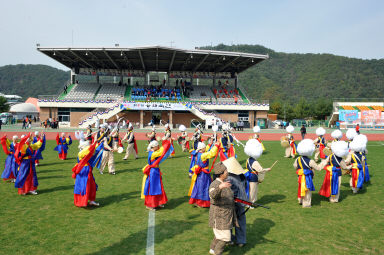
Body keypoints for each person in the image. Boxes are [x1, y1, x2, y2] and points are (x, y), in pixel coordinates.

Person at [208, 162, 237, 255]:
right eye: (226, 171)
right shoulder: (215, 184)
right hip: (219, 216)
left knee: (220, 235)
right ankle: (217, 252)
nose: (227, 172)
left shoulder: (224, 182)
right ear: (221, 174)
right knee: (225, 238)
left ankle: (212, 249)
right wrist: (220, 187)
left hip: (225, 215)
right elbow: (212, 196)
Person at [141, 140, 173, 210]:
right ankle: (150, 204)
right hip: (153, 172)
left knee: (157, 187)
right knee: (153, 188)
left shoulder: (153, 152)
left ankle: (157, 203)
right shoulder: (153, 154)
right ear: (154, 146)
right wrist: (166, 144)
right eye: (157, 146)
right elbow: (161, 152)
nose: (158, 147)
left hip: (155, 171)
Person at [293, 139, 323, 208]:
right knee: (307, 190)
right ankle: (306, 204)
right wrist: (323, 163)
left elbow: (295, 166)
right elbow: (318, 168)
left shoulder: (297, 159)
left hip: (300, 176)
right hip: (307, 177)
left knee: (300, 187)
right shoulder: (311, 161)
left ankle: (300, 199)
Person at [188, 141, 219, 208]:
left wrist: (211, 143)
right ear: (202, 149)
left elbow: (207, 149)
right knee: (204, 187)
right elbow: (211, 153)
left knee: (198, 186)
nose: (205, 148)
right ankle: (202, 203)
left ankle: (196, 201)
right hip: (203, 174)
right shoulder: (203, 155)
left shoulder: (198, 153)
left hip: (200, 173)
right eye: (204, 147)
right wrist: (216, 145)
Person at [225, 158, 248, 247]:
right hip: (242, 201)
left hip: (233, 202)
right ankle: (241, 241)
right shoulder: (241, 175)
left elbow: (230, 192)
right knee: (241, 221)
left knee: (229, 221)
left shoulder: (228, 178)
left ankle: (229, 239)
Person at [72, 139, 99, 207]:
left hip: (87, 170)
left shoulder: (85, 151)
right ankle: (82, 202)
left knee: (92, 185)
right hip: (83, 170)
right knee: (84, 186)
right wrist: (95, 143)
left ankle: (91, 200)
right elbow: (89, 150)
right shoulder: (82, 153)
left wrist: (98, 143)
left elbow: (92, 150)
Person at [243, 139, 271, 203]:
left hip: (249, 176)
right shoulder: (255, 162)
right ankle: (249, 203)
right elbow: (260, 170)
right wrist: (267, 169)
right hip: (253, 177)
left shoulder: (248, 159)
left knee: (250, 190)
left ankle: (251, 202)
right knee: (252, 191)